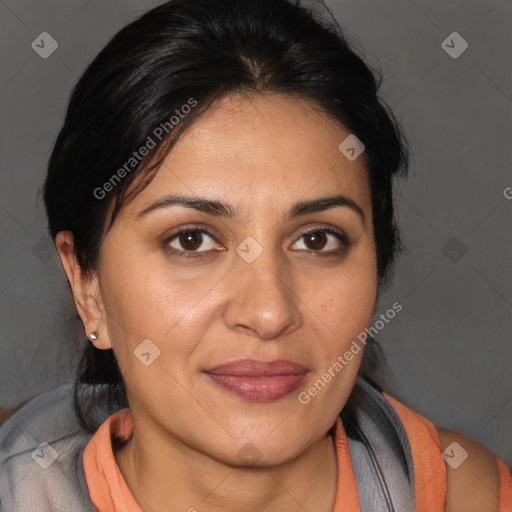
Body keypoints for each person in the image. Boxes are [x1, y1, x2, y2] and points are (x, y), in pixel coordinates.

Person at [0, 0, 510, 511]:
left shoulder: (466, 496)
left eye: (316, 239)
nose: (268, 313)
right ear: (87, 284)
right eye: (192, 240)